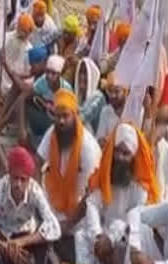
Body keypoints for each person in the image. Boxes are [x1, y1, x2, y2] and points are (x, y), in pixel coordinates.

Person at [76, 123, 159, 264]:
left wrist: (112, 237)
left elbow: (135, 218)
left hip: (128, 239)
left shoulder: (140, 187)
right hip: (105, 240)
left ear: (133, 157)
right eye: (117, 151)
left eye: (126, 153)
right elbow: (92, 204)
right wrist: (98, 236)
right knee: (80, 236)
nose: (120, 157)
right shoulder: (107, 177)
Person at [36, 90, 102, 261]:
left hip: (79, 213)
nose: (61, 121)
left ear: (75, 115)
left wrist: (68, 224)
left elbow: (92, 193)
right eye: (58, 116)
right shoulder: (53, 133)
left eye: (65, 116)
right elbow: (37, 163)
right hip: (53, 204)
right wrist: (37, 202)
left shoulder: (88, 147)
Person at [0, 147, 61, 264]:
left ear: (29, 180)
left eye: (23, 179)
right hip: (2, 237)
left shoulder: (35, 191)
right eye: (15, 178)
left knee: (45, 242)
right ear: (9, 175)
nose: (18, 184)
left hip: (26, 238)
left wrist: (20, 242)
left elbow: (55, 228)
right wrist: (3, 247)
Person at [18, 55, 71, 149]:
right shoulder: (43, 81)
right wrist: (22, 129)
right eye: (47, 72)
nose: (49, 76)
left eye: (53, 73)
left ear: (59, 75)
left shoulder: (66, 89)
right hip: (43, 118)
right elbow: (23, 98)